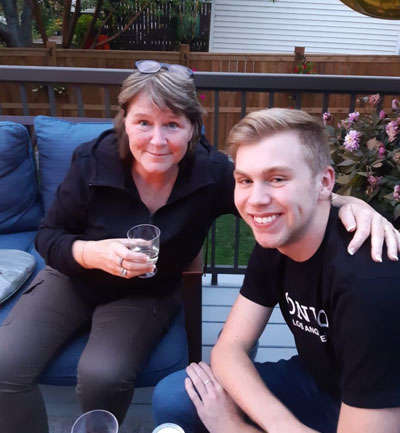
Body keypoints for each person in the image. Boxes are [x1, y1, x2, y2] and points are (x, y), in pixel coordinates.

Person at [0, 62, 397, 433]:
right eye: (143, 122)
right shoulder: (92, 160)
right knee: (4, 364)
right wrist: (92, 253)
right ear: (125, 122)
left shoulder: (212, 173)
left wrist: (351, 202)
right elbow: (49, 235)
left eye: (172, 124)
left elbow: (282, 200)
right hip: (72, 277)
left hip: (145, 292)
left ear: (193, 129)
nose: (157, 140)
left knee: (103, 373)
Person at [152, 108, 400, 433]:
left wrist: (233, 427)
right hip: (318, 382)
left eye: (277, 178)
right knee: (176, 397)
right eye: (245, 180)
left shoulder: (371, 285)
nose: (256, 199)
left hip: (377, 408)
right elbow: (229, 348)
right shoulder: (279, 239)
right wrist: (280, 424)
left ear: (324, 182)